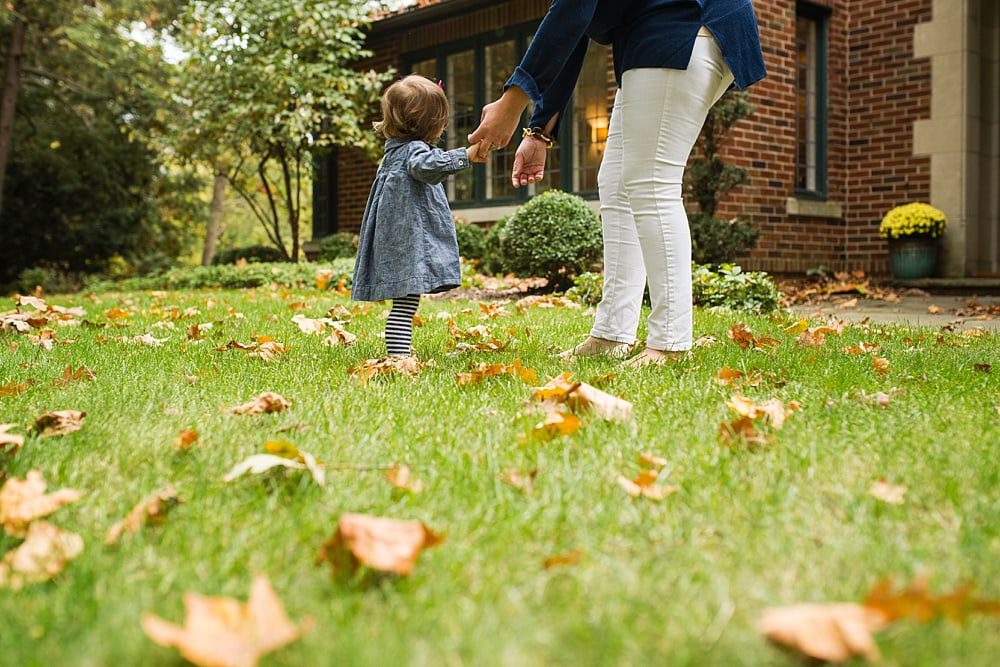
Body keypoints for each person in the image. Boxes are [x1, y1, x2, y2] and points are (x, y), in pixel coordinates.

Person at [469, 0, 766, 366]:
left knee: (651, 182)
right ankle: (613, 332)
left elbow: (573, 9)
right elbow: (573, 27)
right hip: (655, 33)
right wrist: (539, 132)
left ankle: (670, 343)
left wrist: (512, 102)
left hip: (684, 22)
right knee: (616, 182)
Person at [352, 75, 481, 358]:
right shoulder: (414, 151)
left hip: (395, 238)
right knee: (406, 304)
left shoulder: (392, 152)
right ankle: (398, 357)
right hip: (408, 240)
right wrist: (466, 156)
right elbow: (428, 166)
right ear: (427, 124)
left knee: (405, 300)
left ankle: (400, 350)